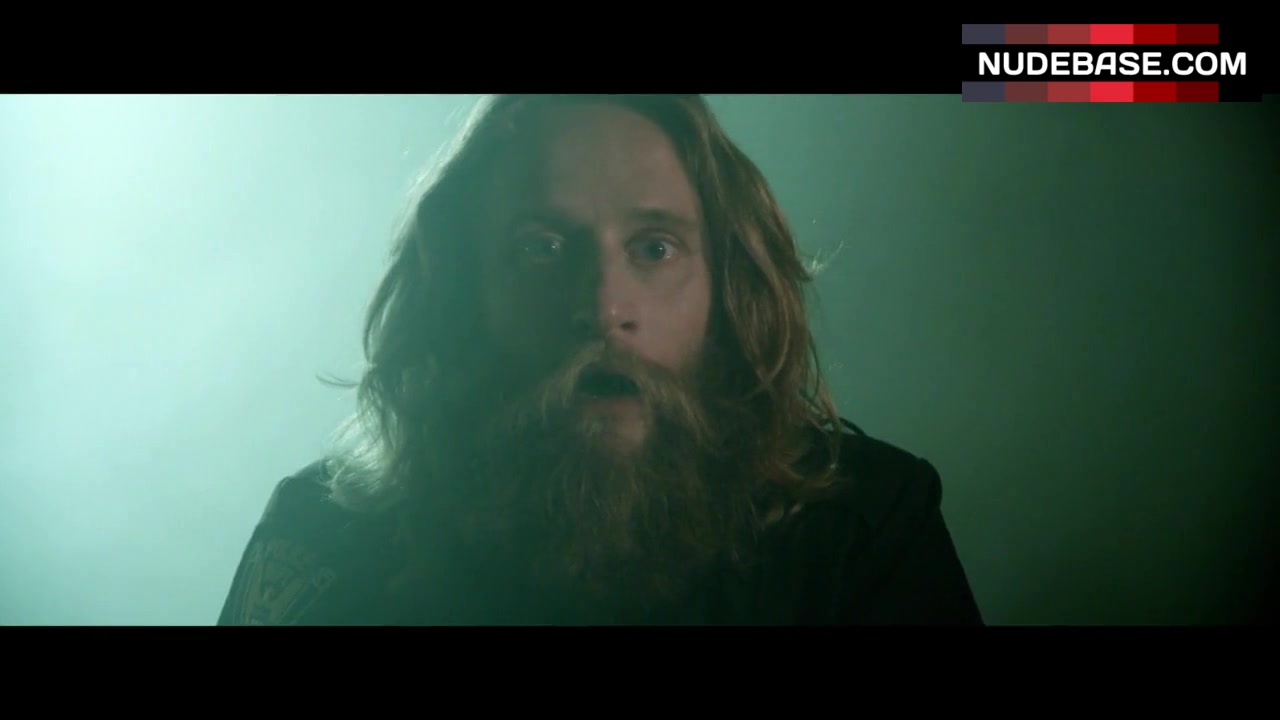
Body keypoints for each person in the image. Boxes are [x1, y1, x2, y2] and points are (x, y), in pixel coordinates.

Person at [216, 94, 984, 626]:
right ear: (462, 288)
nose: (603, 306)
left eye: (655, 248)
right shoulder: (327, 534)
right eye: (542, 248)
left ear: (728, 285)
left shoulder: (860, 527)